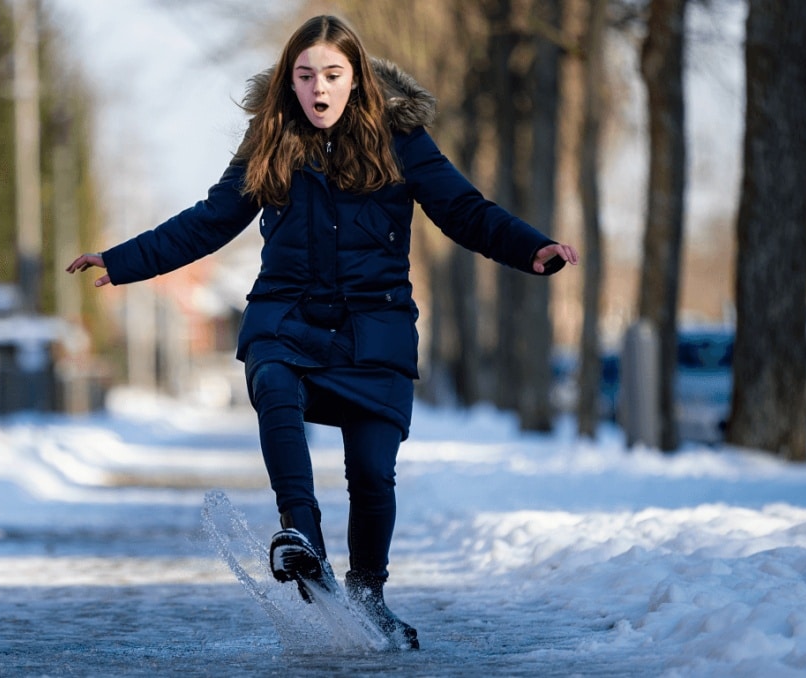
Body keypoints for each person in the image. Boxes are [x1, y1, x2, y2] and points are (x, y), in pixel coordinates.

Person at [68, 15, 578, 650]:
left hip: (376, 326)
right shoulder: (270, 139)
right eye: (306, 75)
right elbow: (210, 220)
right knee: (272, 379)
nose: (318, 88)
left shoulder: (402, 140)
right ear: (291, 80)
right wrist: (123, 261)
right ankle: (301, 537)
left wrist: (530, 248)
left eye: (332, 74)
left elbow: (463, 210)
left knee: (371, 474)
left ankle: (369, 595)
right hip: (288, 314)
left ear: (356, 79)